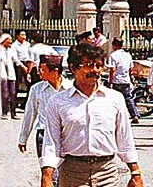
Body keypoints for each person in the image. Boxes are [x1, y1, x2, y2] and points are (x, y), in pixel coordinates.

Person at [40, 41, 143, 187]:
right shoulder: (57, 101)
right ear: (73, 68)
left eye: (98, 65)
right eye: (88, 65)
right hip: (73, 173)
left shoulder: (114, 98)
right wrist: (47, 176)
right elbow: (51, 142)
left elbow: (124, 137)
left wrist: (135, 173)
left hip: (107, 172)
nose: (94, 70)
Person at [18, 54, 70, 160]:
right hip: (44, 135)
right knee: (47, 172)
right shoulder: (36, 89)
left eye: (42, 69)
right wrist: (23, 138)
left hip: (66, 135)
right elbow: (29, 115)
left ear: (55, 70)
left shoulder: (70, 88)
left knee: (66, 173)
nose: (38, 72)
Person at [108, 37, 139, 123]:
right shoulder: (127, 55)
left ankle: (115, 115)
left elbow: (112, 70)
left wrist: (110, 81)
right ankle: (134, 114)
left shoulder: (113, 55)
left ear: (114, 45)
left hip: (117, 81)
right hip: (125, 80)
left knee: (114, 99)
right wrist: (131, 79)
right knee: (128, 98)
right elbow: (130, 69)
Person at [0, 33, 18, 119]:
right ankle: (5, 112)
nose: (10, 41)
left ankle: (13, 112)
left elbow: (16, 60)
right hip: (3, 74)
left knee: (13, 93)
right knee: (5, 94)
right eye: (8, 40)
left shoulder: (12, 50)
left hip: (11, 74)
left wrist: (23, 67)